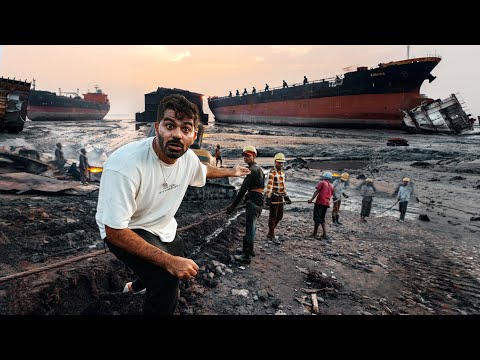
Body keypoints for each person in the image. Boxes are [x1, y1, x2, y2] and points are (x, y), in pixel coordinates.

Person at [95, 94, 250, 315]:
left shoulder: (187, 159)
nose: (177, 135)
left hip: (161, 225)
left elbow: (203, 170)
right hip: (126, 228)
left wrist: (231, 171)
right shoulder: (125, 166)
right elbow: (114, 231)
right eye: (170, 126)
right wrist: (168, 261)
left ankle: (134, 287)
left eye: (185, 129)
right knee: (167, 281)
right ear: (158, 127)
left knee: (177, 250)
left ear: (194, 135)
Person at [226, 145, 265, 264]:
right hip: (258, 200)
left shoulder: (252, 170)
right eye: (244, 156)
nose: (246, 158)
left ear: (254, 156)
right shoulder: (259, 169)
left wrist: (232, 206)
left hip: (254, 202)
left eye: (248, 156)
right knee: (252, 227)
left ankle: (246, 256)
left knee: (249, 228)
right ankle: (249, 250)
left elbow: (243, 190)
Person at [264, 152, 291, 244]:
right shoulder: (272, 172)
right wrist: (268, 196)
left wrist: (286, 196)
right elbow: (269, 185)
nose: (281, 164)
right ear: (275, 162)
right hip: (274, 197)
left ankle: (270, 233)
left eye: (282, 162)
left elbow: (283, 186)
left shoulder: (282, 173)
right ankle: (272, 234)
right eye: (279, 162)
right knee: (273, 216)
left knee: (280, 216)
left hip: (280, 197)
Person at [307, 171, 334, 240]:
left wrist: (311, 199)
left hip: (320, 202)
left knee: (317, 218)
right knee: (322, 218)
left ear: (324, 176)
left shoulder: (321, 182)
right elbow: (331, 195)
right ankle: (324, 234)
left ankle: (314, 233)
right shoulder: (331, 185)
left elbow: (317, 191)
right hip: (326, 203)